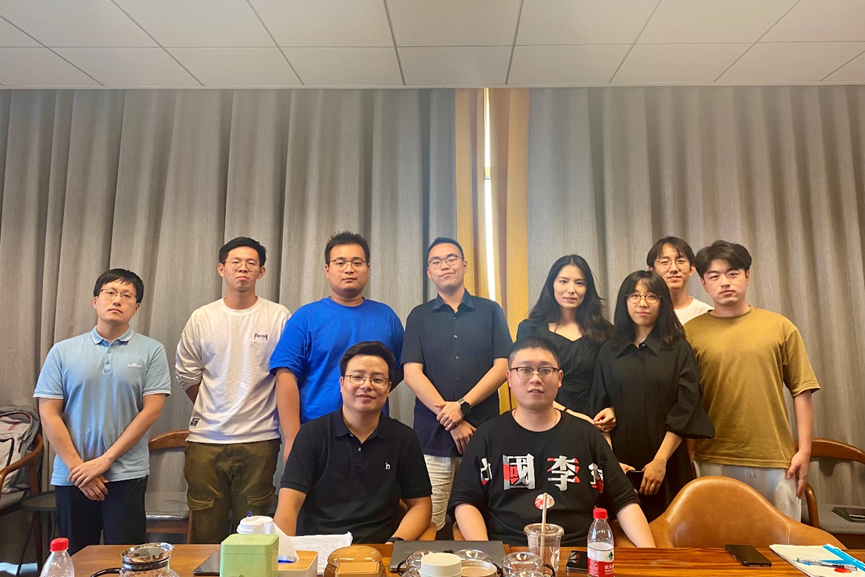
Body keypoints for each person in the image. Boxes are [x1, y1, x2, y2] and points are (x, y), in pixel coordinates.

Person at [449, 337, 655, 547]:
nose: (535, 378)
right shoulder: (488, 435)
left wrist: (651, 555)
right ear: (509, 378)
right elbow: (465, 501)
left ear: (559, 378)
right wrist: (487, 553)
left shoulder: (587, 435)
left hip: (578, 551)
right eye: (525, 369)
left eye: (545, 370)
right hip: (507, 549)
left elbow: (623, 500)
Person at [35, 269, 171, 555]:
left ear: (136, 307)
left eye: (126, 295)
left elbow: (151, 411)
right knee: (75, 558)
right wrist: (79, 469)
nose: (117, 300)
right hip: (72, 474)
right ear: (95, 301)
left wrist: (104, 461)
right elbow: (48, 413)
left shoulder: (152, 351)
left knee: (128, 559)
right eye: (110, 293)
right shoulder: (62, 351)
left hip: (126, 473)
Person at [686, 240, 819, 521]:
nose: (724, 282)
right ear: (703, 283)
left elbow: (802, 390)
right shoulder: (689, 333)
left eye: (732, 273)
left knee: (782, 542)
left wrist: (804, 450)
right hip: (712, 457)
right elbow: (685, 400)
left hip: (775, 459)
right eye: (714, 276)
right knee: (717, 540)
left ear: (747, 276)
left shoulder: (780, 327)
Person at [176, 237, 290, 543]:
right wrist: (213, 405)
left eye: (251, 263)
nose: (243, 268)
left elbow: (287, 373)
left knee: (254, 535)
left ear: (261, 272)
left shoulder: (278, 316)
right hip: (206, 440)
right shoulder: (202, 317)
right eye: (235, 262)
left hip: (260, 438)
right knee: (206, 534)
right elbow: (186, 373)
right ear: (221, 269)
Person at [402, 237, 512, 532]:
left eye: (451, 258)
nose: (445, 265)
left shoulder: (490, 311)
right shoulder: (419, 316)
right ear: (429, 272)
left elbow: (503, 367)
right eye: (436, 261)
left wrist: (462, 407)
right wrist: (451, 419)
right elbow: (411, 373)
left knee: (483, 516)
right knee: (431, 519)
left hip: (483, 432)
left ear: (464, 265)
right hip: (433, 436)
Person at [275, 341, 432, 543]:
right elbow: (289, 505)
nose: (366, 385)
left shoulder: (404, 438)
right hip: (320, 547)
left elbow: (421, 506)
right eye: (357, 377)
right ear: (342, 384)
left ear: (388, 388)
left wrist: (394, 545)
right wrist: (286, 554)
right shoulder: (312, 434)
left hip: (380, 548)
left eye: (377, 379)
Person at [591, 271, 714, 521]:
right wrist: (613, 465)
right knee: (620, 531)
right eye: (634, 295)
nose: (642, 303)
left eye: (651, 296)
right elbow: (600, 407)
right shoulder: (609, 351)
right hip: (620, 464)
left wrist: (660, 461)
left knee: (671, 531)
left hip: (669, 461)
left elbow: (686, 406)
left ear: (662, 302)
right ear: (624, 301)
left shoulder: (679, 349)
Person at [270, 232, 404, 461]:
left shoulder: (387, 317)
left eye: (357, 263)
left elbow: (402, 368)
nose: (349, 269)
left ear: (368, 269)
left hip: (374, 436)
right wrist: (292, 437)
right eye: (340, 263)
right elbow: (285, 376)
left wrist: (370, 391)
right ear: (327, 269)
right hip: (316, 433)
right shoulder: (306, 318)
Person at [516, 255, 615, 429]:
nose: (571, 290)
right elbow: (525, 382)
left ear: (588, 289)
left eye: (579, 283)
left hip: (594, 425)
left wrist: (612, 409)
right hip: (544, 423)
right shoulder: (531, 329)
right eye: (563, 281)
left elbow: (616, 381)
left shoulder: (606, 332)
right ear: (551, 285)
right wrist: (571, 415)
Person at [647, 236, 712, 324]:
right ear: (652, 271)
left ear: (692, 268)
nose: (674, 269)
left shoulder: (706, 314)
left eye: (680, 261)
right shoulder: (644, 313)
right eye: (665, 262)